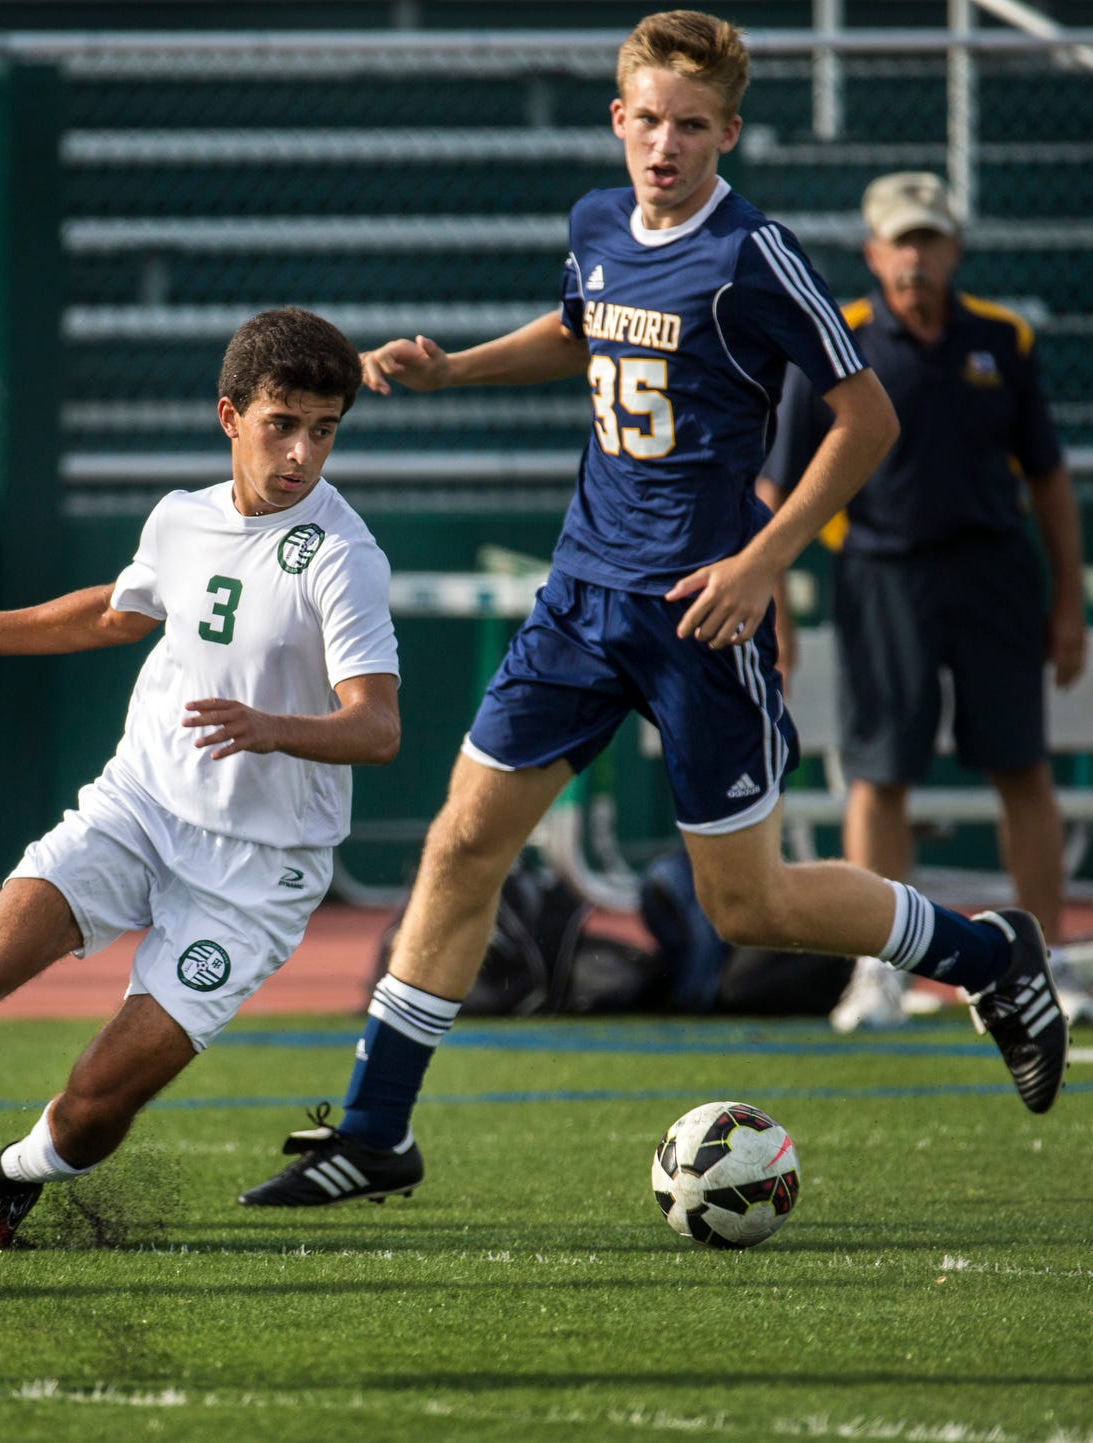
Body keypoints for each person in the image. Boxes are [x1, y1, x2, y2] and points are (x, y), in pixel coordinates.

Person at [238, 10, 1070, 1211]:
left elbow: (867, 420)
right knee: (460, 843)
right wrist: (457, 368)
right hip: (579, 597)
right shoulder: (592, 223)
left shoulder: (751, 253)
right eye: (647, 120)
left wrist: (761, 562)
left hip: (698, 615)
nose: (665, 145)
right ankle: (374, 1132)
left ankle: (992, 954)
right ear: (616, 119)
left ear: (727, 132)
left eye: (692, 125)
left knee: (751, 906)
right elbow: (581, 333)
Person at [0, 307, 401, 1249]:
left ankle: (8, 1180)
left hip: (257, 875)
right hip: (137, 807)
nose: (300, 452)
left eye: (323, 429)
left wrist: (271, 728)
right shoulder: (180, 518)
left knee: (95, 1100)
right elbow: (115, 612)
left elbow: (377, 728)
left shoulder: (342, 558)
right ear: (229, 415)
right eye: (280, 423)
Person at [758, 170, 1092, 1032]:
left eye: (928, 239)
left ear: (954, 248)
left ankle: (1040, 962)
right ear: (872, 251)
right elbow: (776, 488)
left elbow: (1048, 480)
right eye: (900, 240)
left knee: (1022, 766)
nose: (914, 257)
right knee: (879, 774)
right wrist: (775, 612)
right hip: (882, 577)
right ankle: (880, 970)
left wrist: (1066, 604)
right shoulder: (839, 344)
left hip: (994, 574)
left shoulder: (1001, 340)